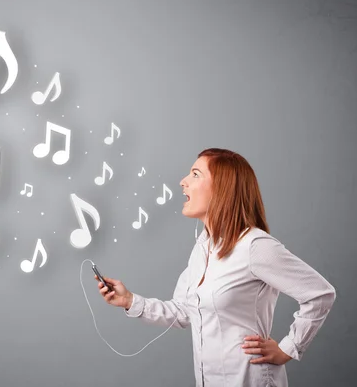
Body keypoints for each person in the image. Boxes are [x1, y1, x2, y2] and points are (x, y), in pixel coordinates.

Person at [95, 148, 336, 387]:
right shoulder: (203, 248)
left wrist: (289, 348)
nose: (183, 182)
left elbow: (319, 294)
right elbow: (185, 311)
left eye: (195, 174)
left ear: (222, 189)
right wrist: (129, 301)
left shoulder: (254, 246)